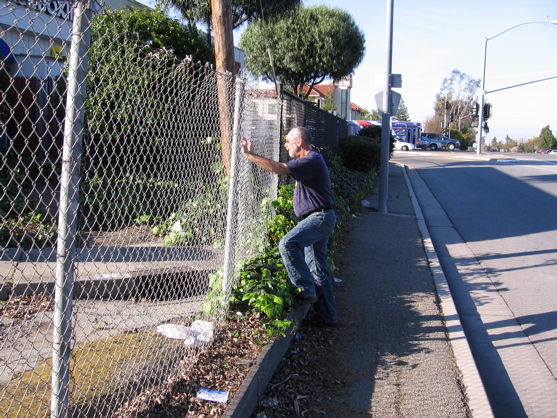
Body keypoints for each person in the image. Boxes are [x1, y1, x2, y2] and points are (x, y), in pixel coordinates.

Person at [241, 127, 337, 326]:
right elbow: (280, 167)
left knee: (287, 244)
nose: (286, 144)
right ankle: (328, 317)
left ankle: (304, 291)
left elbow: (276, 168)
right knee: (318, 269)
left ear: (299, 141)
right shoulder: (309, 161)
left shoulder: (311, 159)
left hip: (319, 218)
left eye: (288, 141)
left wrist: (249, 154)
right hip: (319, 218)